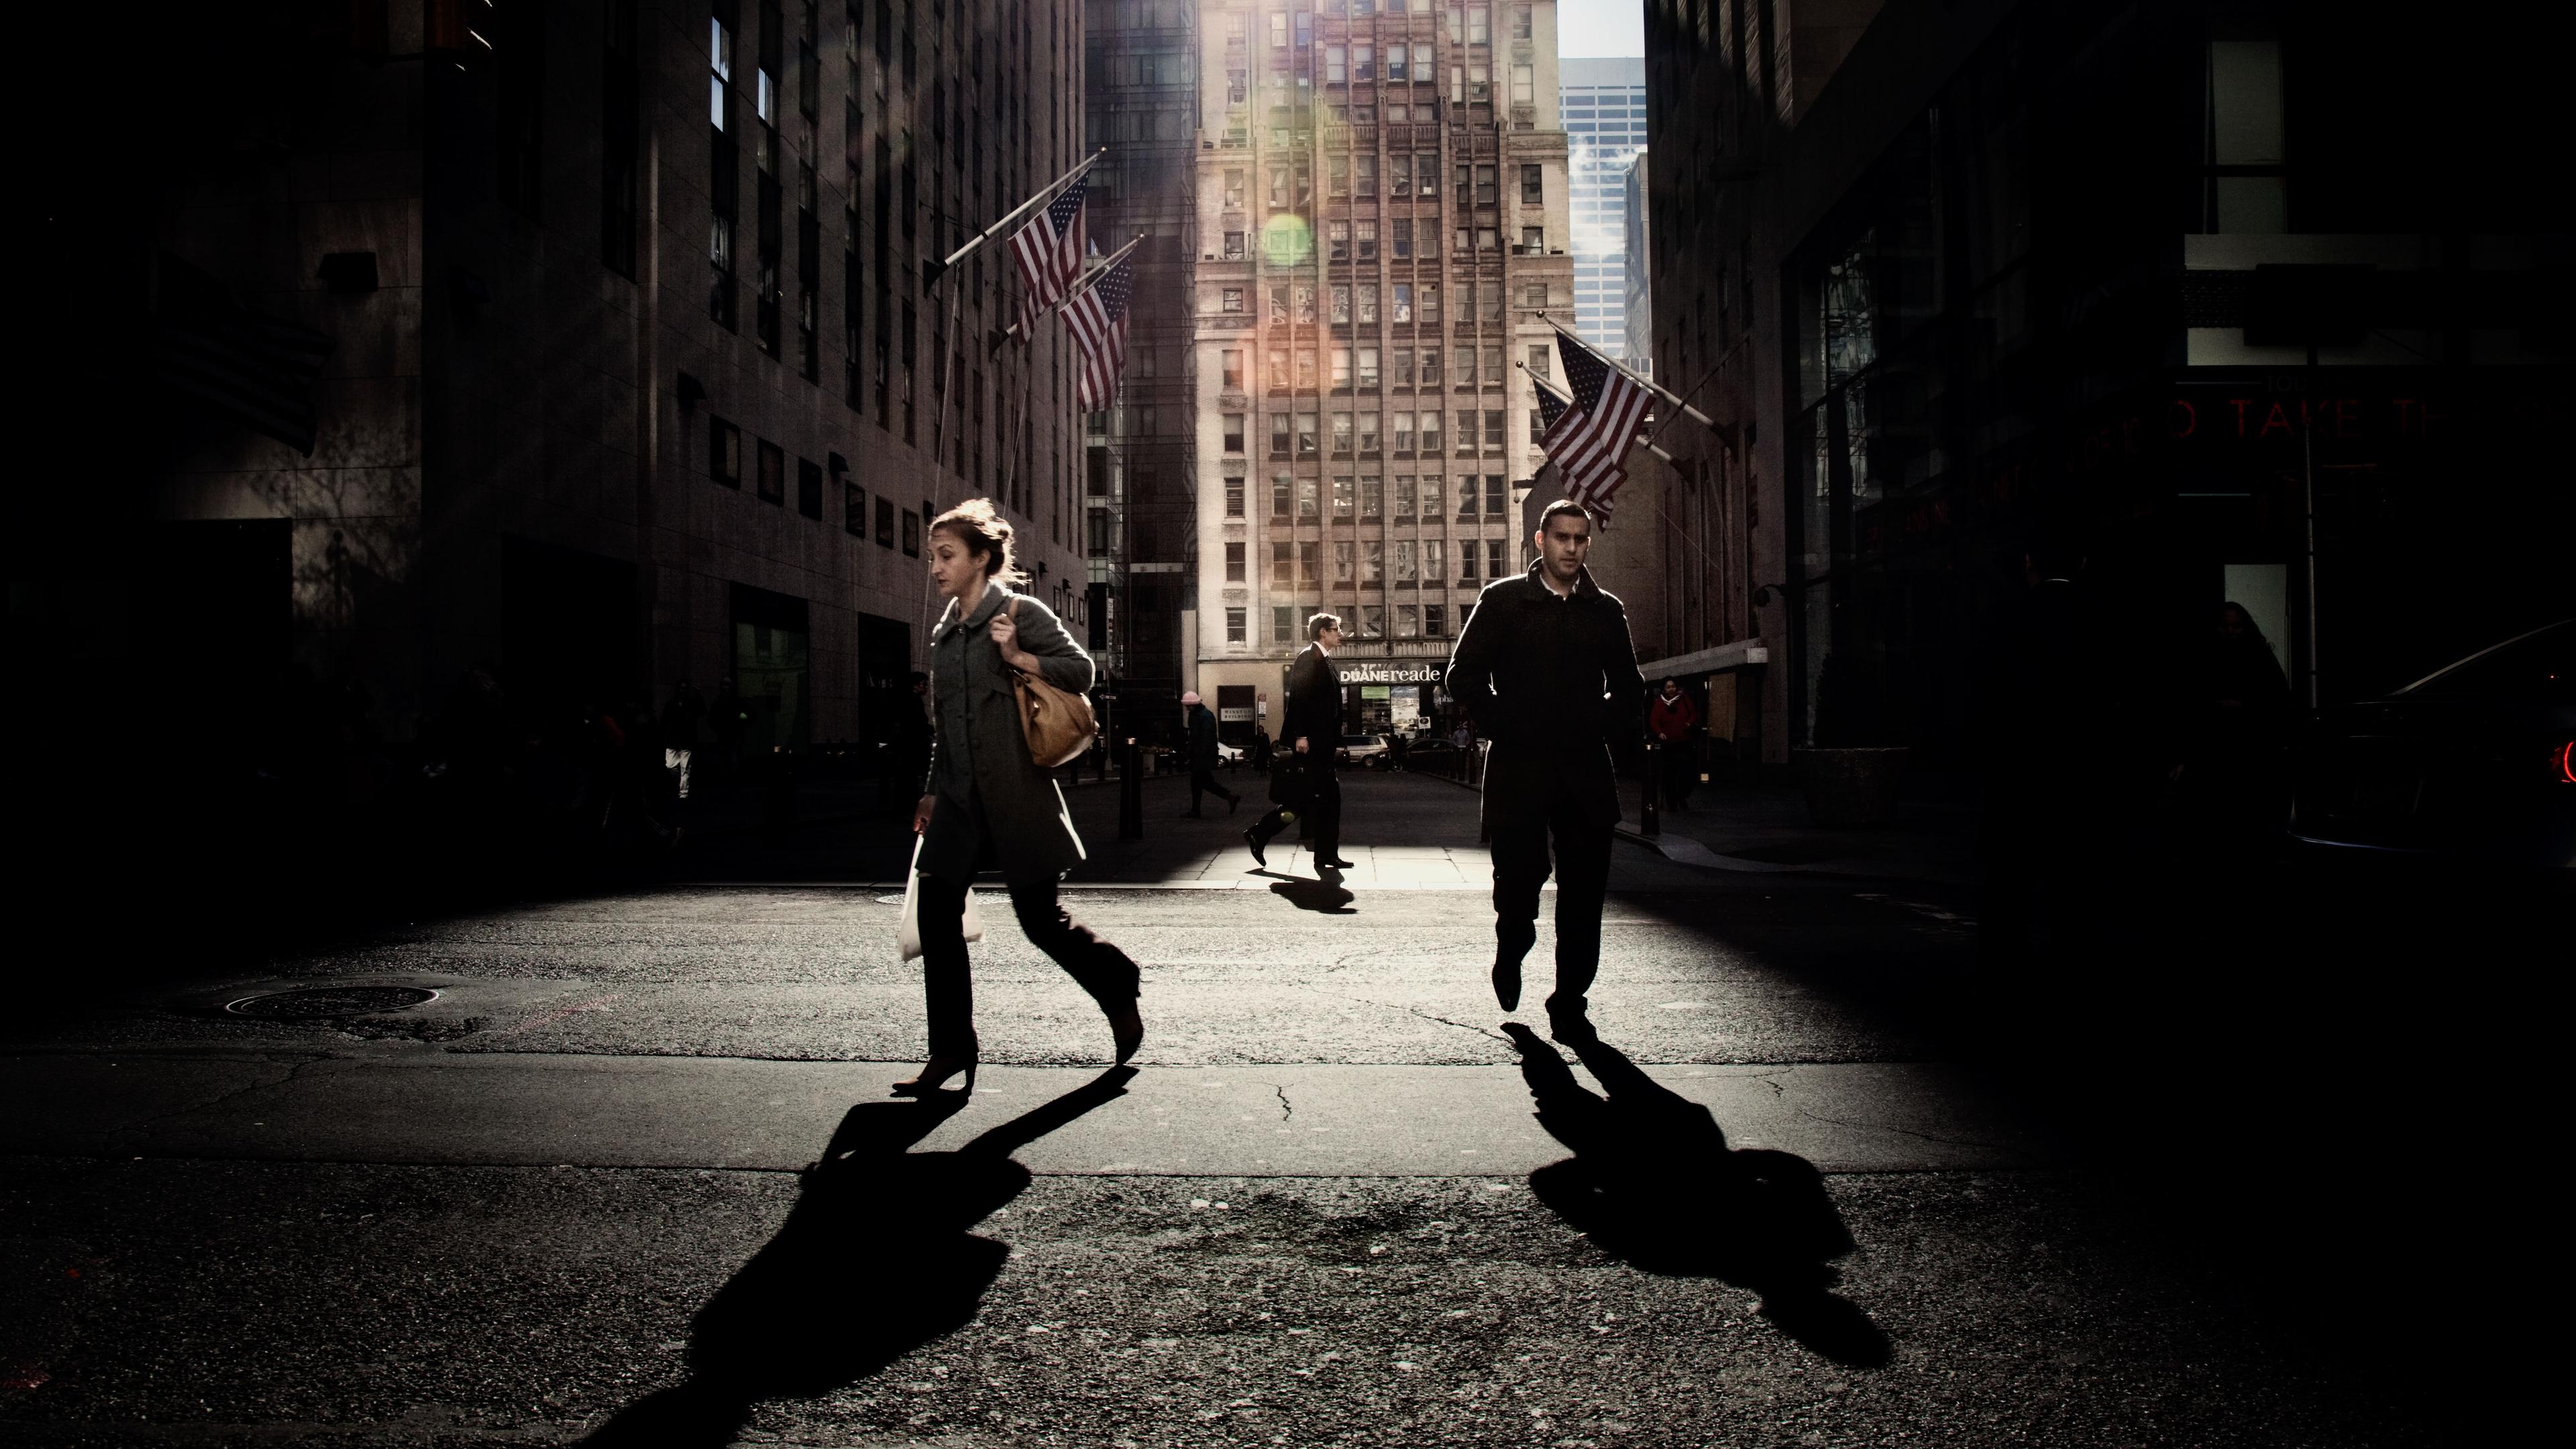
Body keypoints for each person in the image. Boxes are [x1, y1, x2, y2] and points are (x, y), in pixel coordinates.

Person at [906, 498, 1144, 1095]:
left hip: (1015, 796)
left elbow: (1082, 672)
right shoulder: (945, 634)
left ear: (981, 558)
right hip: (958, 804)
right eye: (932, 556)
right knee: (937, 920)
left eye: (946, 555)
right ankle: (951, 1051)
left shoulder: (1021, 611)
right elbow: (947, 726)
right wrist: (932, 792)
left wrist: (1017, 655)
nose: (935, 567)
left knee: (1041, 923)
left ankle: (1115, 980)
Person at [1448, 499, 1645, 1043]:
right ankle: (1511, 947)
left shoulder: (1605, 610)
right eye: (1563, 538)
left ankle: (1569, 1000)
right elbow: (1461, 676)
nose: (1572, 548)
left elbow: (1631, 688)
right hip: (1519, 767)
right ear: (1541, 541)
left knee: (1584, 894)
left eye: (1581, 539)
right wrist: (1504, 723)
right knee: (1518, 883)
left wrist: (1596, 723)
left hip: (1585, 771)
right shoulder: (1504, 600)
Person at [1244, 612, 1350, 871]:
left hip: (1323, 743)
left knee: (1322, 800)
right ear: (1323, 632)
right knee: (1309, 800)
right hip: (1312, 743)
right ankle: (1261, 833)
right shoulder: (1308, 658)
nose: (1340, 633)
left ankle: (1324, 854)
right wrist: (1301, 734)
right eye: (1336, 629)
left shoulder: (1325, 660)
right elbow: (1299, 698)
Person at [1180, 691, 1240, 818]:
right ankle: (1229, 797)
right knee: (1203, 782)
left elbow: (1204, 738)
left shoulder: (1201, 716)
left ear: (1193, 705)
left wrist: (1194, 753)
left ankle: (1228, 797)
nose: (1187, 708)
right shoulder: (1203, 715)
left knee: (1200, 783)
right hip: (1202, 755)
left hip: (1202, 756)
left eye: (1188, 705)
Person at [1646, 678, 1699, 812]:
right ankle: (1672, 801)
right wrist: (1659, 733)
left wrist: (1689, 723)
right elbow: (1654, 720)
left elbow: (1693, 713)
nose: (1671, 689)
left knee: (1687, 771)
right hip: (1669, 743)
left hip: (1684, 741)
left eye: (1673, 686)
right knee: (1670, 773)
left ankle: (1683, 795)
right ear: (1664, 690)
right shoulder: (1660, 703)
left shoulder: (1684, 699)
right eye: (1668, 687)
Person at [661, 680, 703, 802]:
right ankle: (679, 788)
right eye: (681, 688)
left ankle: (683, 793)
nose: (682, 691)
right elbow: (664, 721)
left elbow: (702, 711)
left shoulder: (691, 704)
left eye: (685, 688)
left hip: (686, 740)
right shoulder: (671, 704)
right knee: (670, 766)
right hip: (673, 740)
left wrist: (698, 696)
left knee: (685, 768)